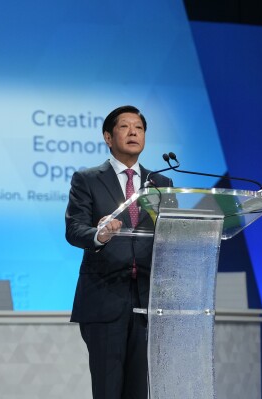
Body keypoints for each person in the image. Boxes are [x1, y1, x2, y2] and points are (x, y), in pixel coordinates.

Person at [65, 105, 173, 399]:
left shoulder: (161, 183)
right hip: (104, 299)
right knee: (108, 390)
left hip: (147, 301)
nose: (133, 132)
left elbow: (169, 233)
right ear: (108, 137)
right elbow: (74, 230)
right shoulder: (87, 179)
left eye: (138, 127)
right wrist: (99, 234)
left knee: (139, 391)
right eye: (125, 127)